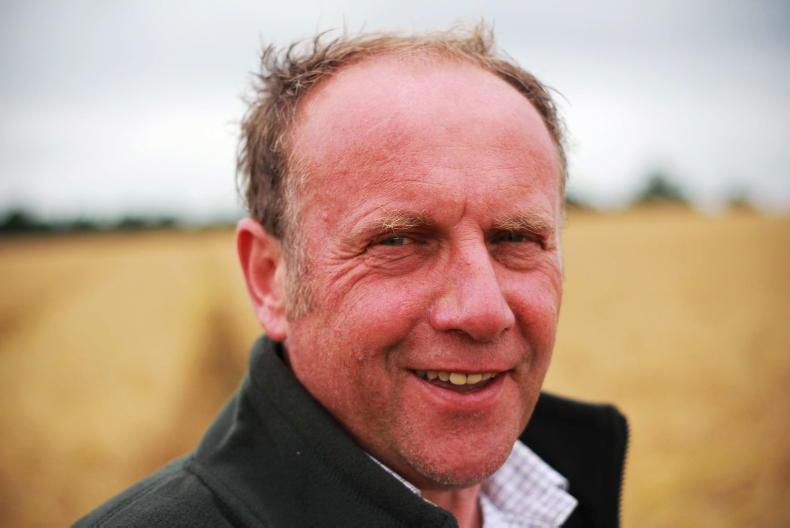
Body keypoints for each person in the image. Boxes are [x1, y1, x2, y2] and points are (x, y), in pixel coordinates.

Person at [76, 24, 627, 528]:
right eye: (398, 241)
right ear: (270, 278)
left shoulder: (572, 488)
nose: (484, 311)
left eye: (516, 239)